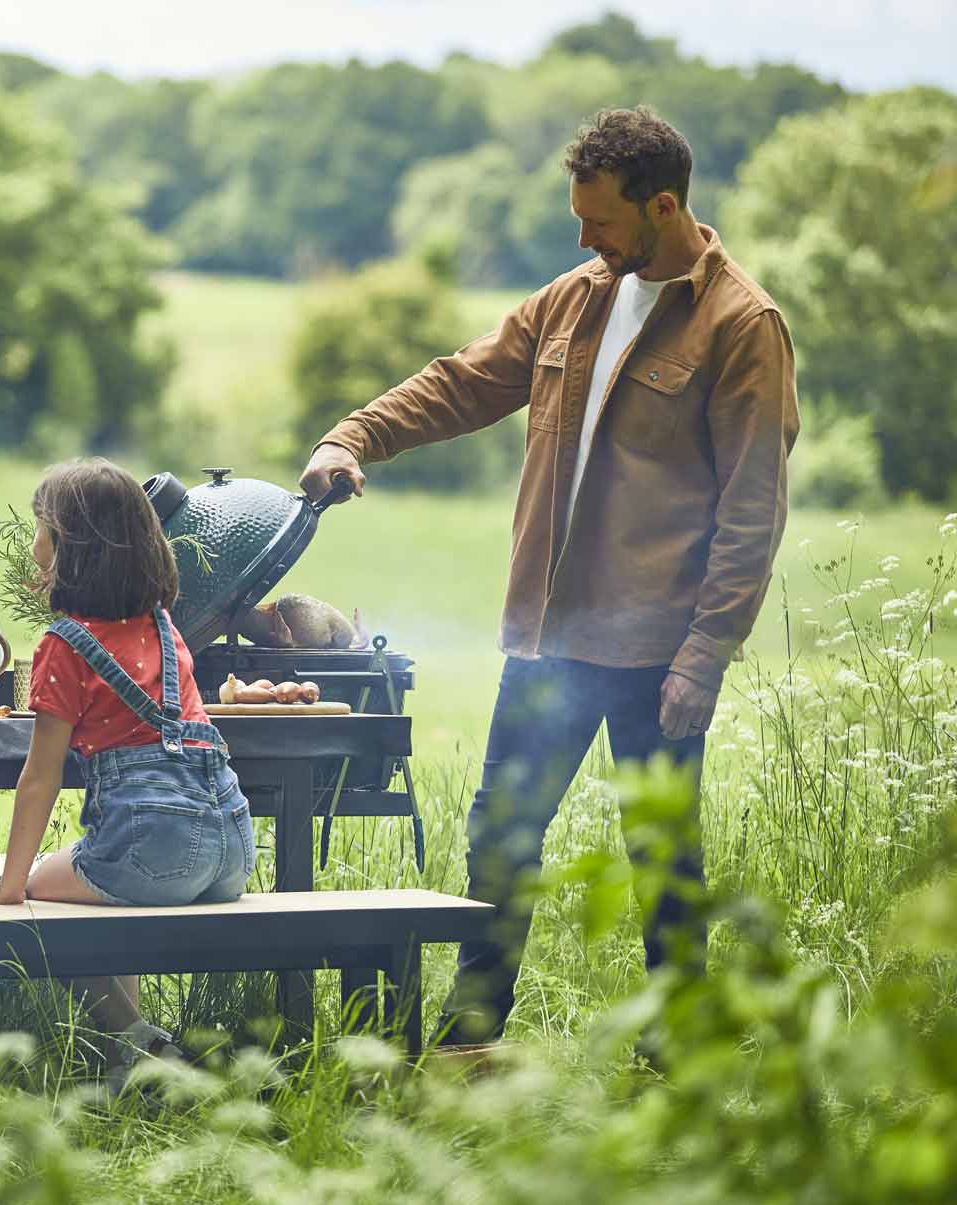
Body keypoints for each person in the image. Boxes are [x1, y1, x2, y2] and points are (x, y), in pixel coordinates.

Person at [297, 107, 798, 1048]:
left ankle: (677, 1055)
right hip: (545, 637)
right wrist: (352, 434)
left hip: (659, 650)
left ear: (663, 205)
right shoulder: (574, 298)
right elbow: (462, 381)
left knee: (662, 857)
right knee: (502, 838)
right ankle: (470, 1043)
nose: (583, 237)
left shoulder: (743, 324)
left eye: (600, 221)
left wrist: (707, 651)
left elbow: (753, 507)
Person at [0, 459, 254, 1087]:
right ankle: (131, 1060)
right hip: (230, 847)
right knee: (104, 886)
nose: (33, 543)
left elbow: (39, 779)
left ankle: (144, 1047)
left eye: (41, 526)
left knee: (47, 897)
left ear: (68, 545)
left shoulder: (63, 646)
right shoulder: (163, 627)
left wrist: (11, 888)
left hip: (155, 850)